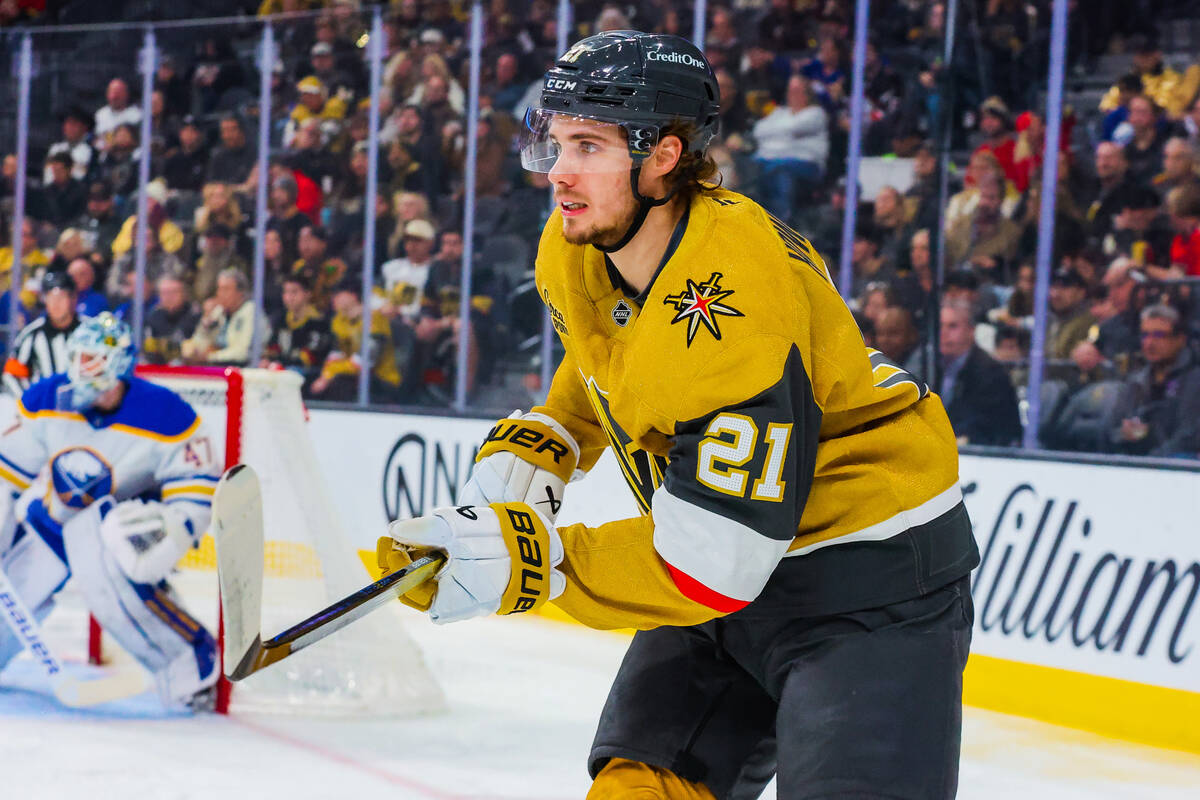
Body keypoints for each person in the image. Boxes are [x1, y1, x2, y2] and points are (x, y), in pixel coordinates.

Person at [376, 32, 978, 799]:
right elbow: (616, 348)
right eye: (555, 142)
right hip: (730, 563)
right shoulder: (582, 241)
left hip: (868, 582)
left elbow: (711, 564)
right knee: (635, 788)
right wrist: (560, 432)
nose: (559, 171)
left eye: (587, 145)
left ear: (663, 155)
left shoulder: (731, 299)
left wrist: (534, 563)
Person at [0, 313, 221, 709]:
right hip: (52, 521)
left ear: (119, 367)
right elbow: (6, 475)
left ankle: (192, 664)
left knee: (108, 584)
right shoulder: (46, 399)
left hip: (117, 530)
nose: (83, 376)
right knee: (13, 594)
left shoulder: (164, 412)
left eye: (94, 366)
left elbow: (198, 483)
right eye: (79, 362)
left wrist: (177, 527)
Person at [1110, 304, 1200, 457]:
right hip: (1132, 464)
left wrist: (1150, 453)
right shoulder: (1136, 380)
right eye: (1145, 335)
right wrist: (1125, 434)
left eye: (1159, 335)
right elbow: (1113, 428)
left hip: (1174, 468)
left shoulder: (1195, 380)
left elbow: (1189, 438)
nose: (1149, 343)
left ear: (1180, 340)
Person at [938, 299, 1023, 446]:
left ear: (971, 331)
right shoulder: (930, 366)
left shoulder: (990, 373)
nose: (943, 333)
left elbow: (984, 425)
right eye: (940, 326)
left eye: (953, 326)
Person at [3, 271, 81, 397]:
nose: (56, 303)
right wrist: (32, 399)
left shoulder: (88, 331)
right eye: (50, 297)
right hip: (44, 413)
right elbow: (12, 374)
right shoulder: (31, 334)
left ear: (73, 299)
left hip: (85, 411)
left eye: (61, 297)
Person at [181, 268, 265, 366]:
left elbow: (242, 352)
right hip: (215, 366)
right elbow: (197, 341)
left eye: (226, 289)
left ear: (240, 292)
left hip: (244, 368)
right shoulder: (219, 311)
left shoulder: (251, 311)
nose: (220, 294)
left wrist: (209, 357)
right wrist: (193, 351)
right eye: (219, 289)